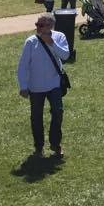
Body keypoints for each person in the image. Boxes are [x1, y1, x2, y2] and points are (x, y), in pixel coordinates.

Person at [17, 12, 70, 157]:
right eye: (37, 24)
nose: (37, 27)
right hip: (35, 87)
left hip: (54, 85)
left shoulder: (59, 37)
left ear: (50, 26)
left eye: (40, 25)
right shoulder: (30, 42)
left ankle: (55, 144)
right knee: (36, 117)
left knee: (58, 113)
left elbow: (65, 55)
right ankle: (39, 147)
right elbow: (23, 66)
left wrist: (51, 43)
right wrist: (23, 86)